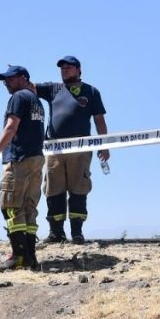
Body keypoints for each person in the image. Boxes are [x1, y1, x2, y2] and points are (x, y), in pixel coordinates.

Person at [34, 56, 108, 244]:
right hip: (54, 149)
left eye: (69, 67)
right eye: (62, 67)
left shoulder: (91, 91)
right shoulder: (53, 89)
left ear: (79, 69)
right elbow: (29, 87)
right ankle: (56, 232)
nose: (65, 70)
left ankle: (77, 232)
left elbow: (99, 120)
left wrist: (104, 145)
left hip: (80, 150)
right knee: (53, 189)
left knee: (79, 188)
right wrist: (18, 76)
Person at [0, 65, 45, 271]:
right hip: (36, 158)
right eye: (5, 80)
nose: (6, 83)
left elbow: (11, 127)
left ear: (23, 78)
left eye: (10, 78)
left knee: (11, 206)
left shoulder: (18, 97)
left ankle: (19, 256)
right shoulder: (36, 101)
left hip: (19, 159)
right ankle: (30, 257)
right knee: (29, 208)